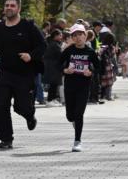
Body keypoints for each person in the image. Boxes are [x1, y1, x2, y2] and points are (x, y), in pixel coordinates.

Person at [0, 0, 46, 149]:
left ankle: (30, 116)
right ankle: (6, 139)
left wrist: (30, 56)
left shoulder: (28, 26)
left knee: (21, 107)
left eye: (12, 5)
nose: (9, 8)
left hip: (25, 74)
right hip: (4, 73)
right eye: (7, 5)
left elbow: (42, 46)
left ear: (19, 8)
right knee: (0, 107)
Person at [60, 24, 100, 152]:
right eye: (75, 35)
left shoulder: (90, 52)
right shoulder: (69, 50)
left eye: (80, 35)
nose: (78, 38)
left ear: (85, 36)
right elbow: (57, 65)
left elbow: (100, 67)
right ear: (72, 37)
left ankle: (77, 141)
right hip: (70, 85)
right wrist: (65, 70)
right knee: (70, 116)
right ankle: (74, 122)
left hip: (84, 86)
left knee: (79, 114)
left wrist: (91, 72)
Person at [43, 29, 64, 105]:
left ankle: (53, 98)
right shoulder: (54, 44)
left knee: (54, 84)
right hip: (53, 67)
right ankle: (49, 100)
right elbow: (60, 55)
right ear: (55, 36)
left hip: (53, 66)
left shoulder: (54, 43)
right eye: (60, 35)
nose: (61, 36)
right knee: (53, 83)